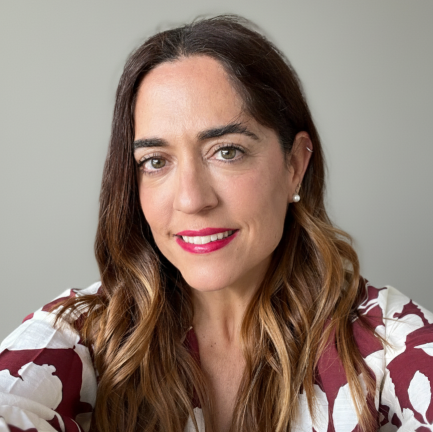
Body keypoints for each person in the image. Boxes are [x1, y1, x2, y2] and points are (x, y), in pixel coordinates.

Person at [0, 14, 432, 432]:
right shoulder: (77, 335)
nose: (191, 200)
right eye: (155, 161)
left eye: (227, 151)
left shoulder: (389, 340)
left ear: (295, 166)